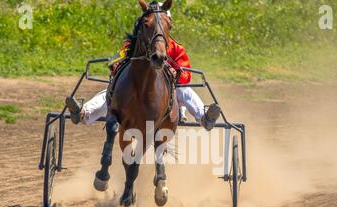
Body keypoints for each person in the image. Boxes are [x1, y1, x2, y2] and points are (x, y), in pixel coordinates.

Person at [65, 3, 220, 131]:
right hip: (137, 89)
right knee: (111, 92)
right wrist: (117, 64)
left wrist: (176, 73)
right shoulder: (134, 44)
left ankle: (205, 117)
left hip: (168, 91)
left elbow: (187, 76)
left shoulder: (176, 48)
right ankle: (83, 113)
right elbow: (116, 60)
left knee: (185, 91)